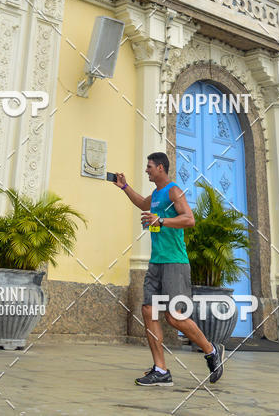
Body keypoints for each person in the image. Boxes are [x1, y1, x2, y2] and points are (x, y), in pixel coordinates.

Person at [114, 153, 223, 387]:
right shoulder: (155, 195)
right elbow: (143, 204)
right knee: (148, 311)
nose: (147, 170)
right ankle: (161, 370)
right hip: (157, 262)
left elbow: (189, 219)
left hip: (175, 262)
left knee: (174, 317)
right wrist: (124, 187)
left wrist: (160, 221)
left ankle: (211, 350)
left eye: (150, 166)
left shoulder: (174, 191)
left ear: (161, 167)